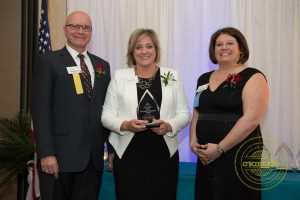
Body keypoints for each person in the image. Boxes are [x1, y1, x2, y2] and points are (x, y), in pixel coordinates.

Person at [101, 28, 190, 200]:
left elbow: (184, 113)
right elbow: (106, 116)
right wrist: (126, 125)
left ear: (156, 50)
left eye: (149, 46)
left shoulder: (172, 76)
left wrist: (169, 125)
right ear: (132, 52)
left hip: (163, 153)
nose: (144, 51)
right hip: (128, 153)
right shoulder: (119, 77)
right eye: (138, 47)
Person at [31, 11, 111, 200]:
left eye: (86, 27)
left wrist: (112, 149)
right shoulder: (49, 61)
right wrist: (47, 153)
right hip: (59, 157)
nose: (80, 31)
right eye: (75, 26)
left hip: (93, 159)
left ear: (91, 32)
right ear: (65, 30)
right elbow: (40, 110)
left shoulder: (102, 66)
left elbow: (107, 109)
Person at [190, 27, 269, 200]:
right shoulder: (203, 79)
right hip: (206, 153)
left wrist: (219, 149)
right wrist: (193, 141)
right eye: (219, 44)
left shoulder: (253, 76)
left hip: (238, 152)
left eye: (229, 43)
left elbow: (251, 119)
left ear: (241, 48)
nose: (223, 47)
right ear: (213, 50)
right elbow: (197, 112)